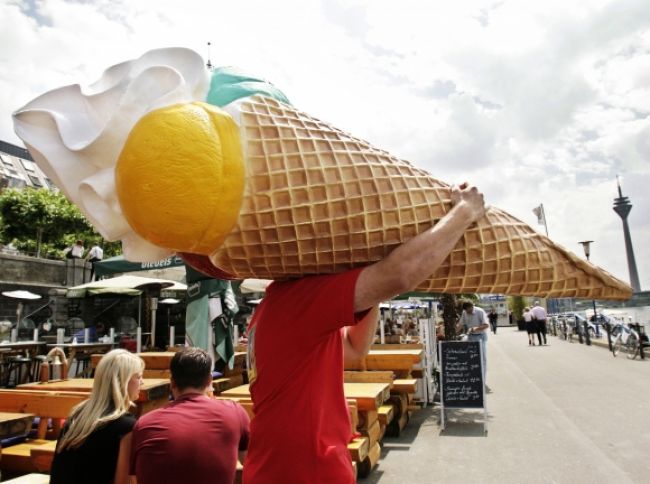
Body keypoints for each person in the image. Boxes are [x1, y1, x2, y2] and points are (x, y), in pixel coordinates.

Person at [244, 182, 485, 483]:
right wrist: (464, 213)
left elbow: (354, 348)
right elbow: (400, 274)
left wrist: (373, 287)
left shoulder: (273, 305)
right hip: (306, 470)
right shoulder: (298, 297)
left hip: (278, 466)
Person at [130, 347, 250, 484]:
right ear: (209, 380)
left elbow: (134, 479)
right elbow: (250, 464)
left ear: (172, 383)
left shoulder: (144, 424)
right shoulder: (235, 413)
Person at [50, 349, 144, 484]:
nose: (142, 382)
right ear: (123, 381)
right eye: (139, 377)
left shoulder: (78, 415)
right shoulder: (127, 428)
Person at [458, 301, 490, 380]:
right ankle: (473, 377)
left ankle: (483, 379)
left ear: (472, 306)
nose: (468, 312)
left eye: (469, 311)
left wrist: (476, 328)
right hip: (471, 337)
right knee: (471, 358)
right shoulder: (464, 312)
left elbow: (486, 325)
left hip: (480, 337)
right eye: (467, 311)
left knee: (482, 359)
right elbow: (461, 324)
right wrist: (455, 331)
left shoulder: (480, 311)